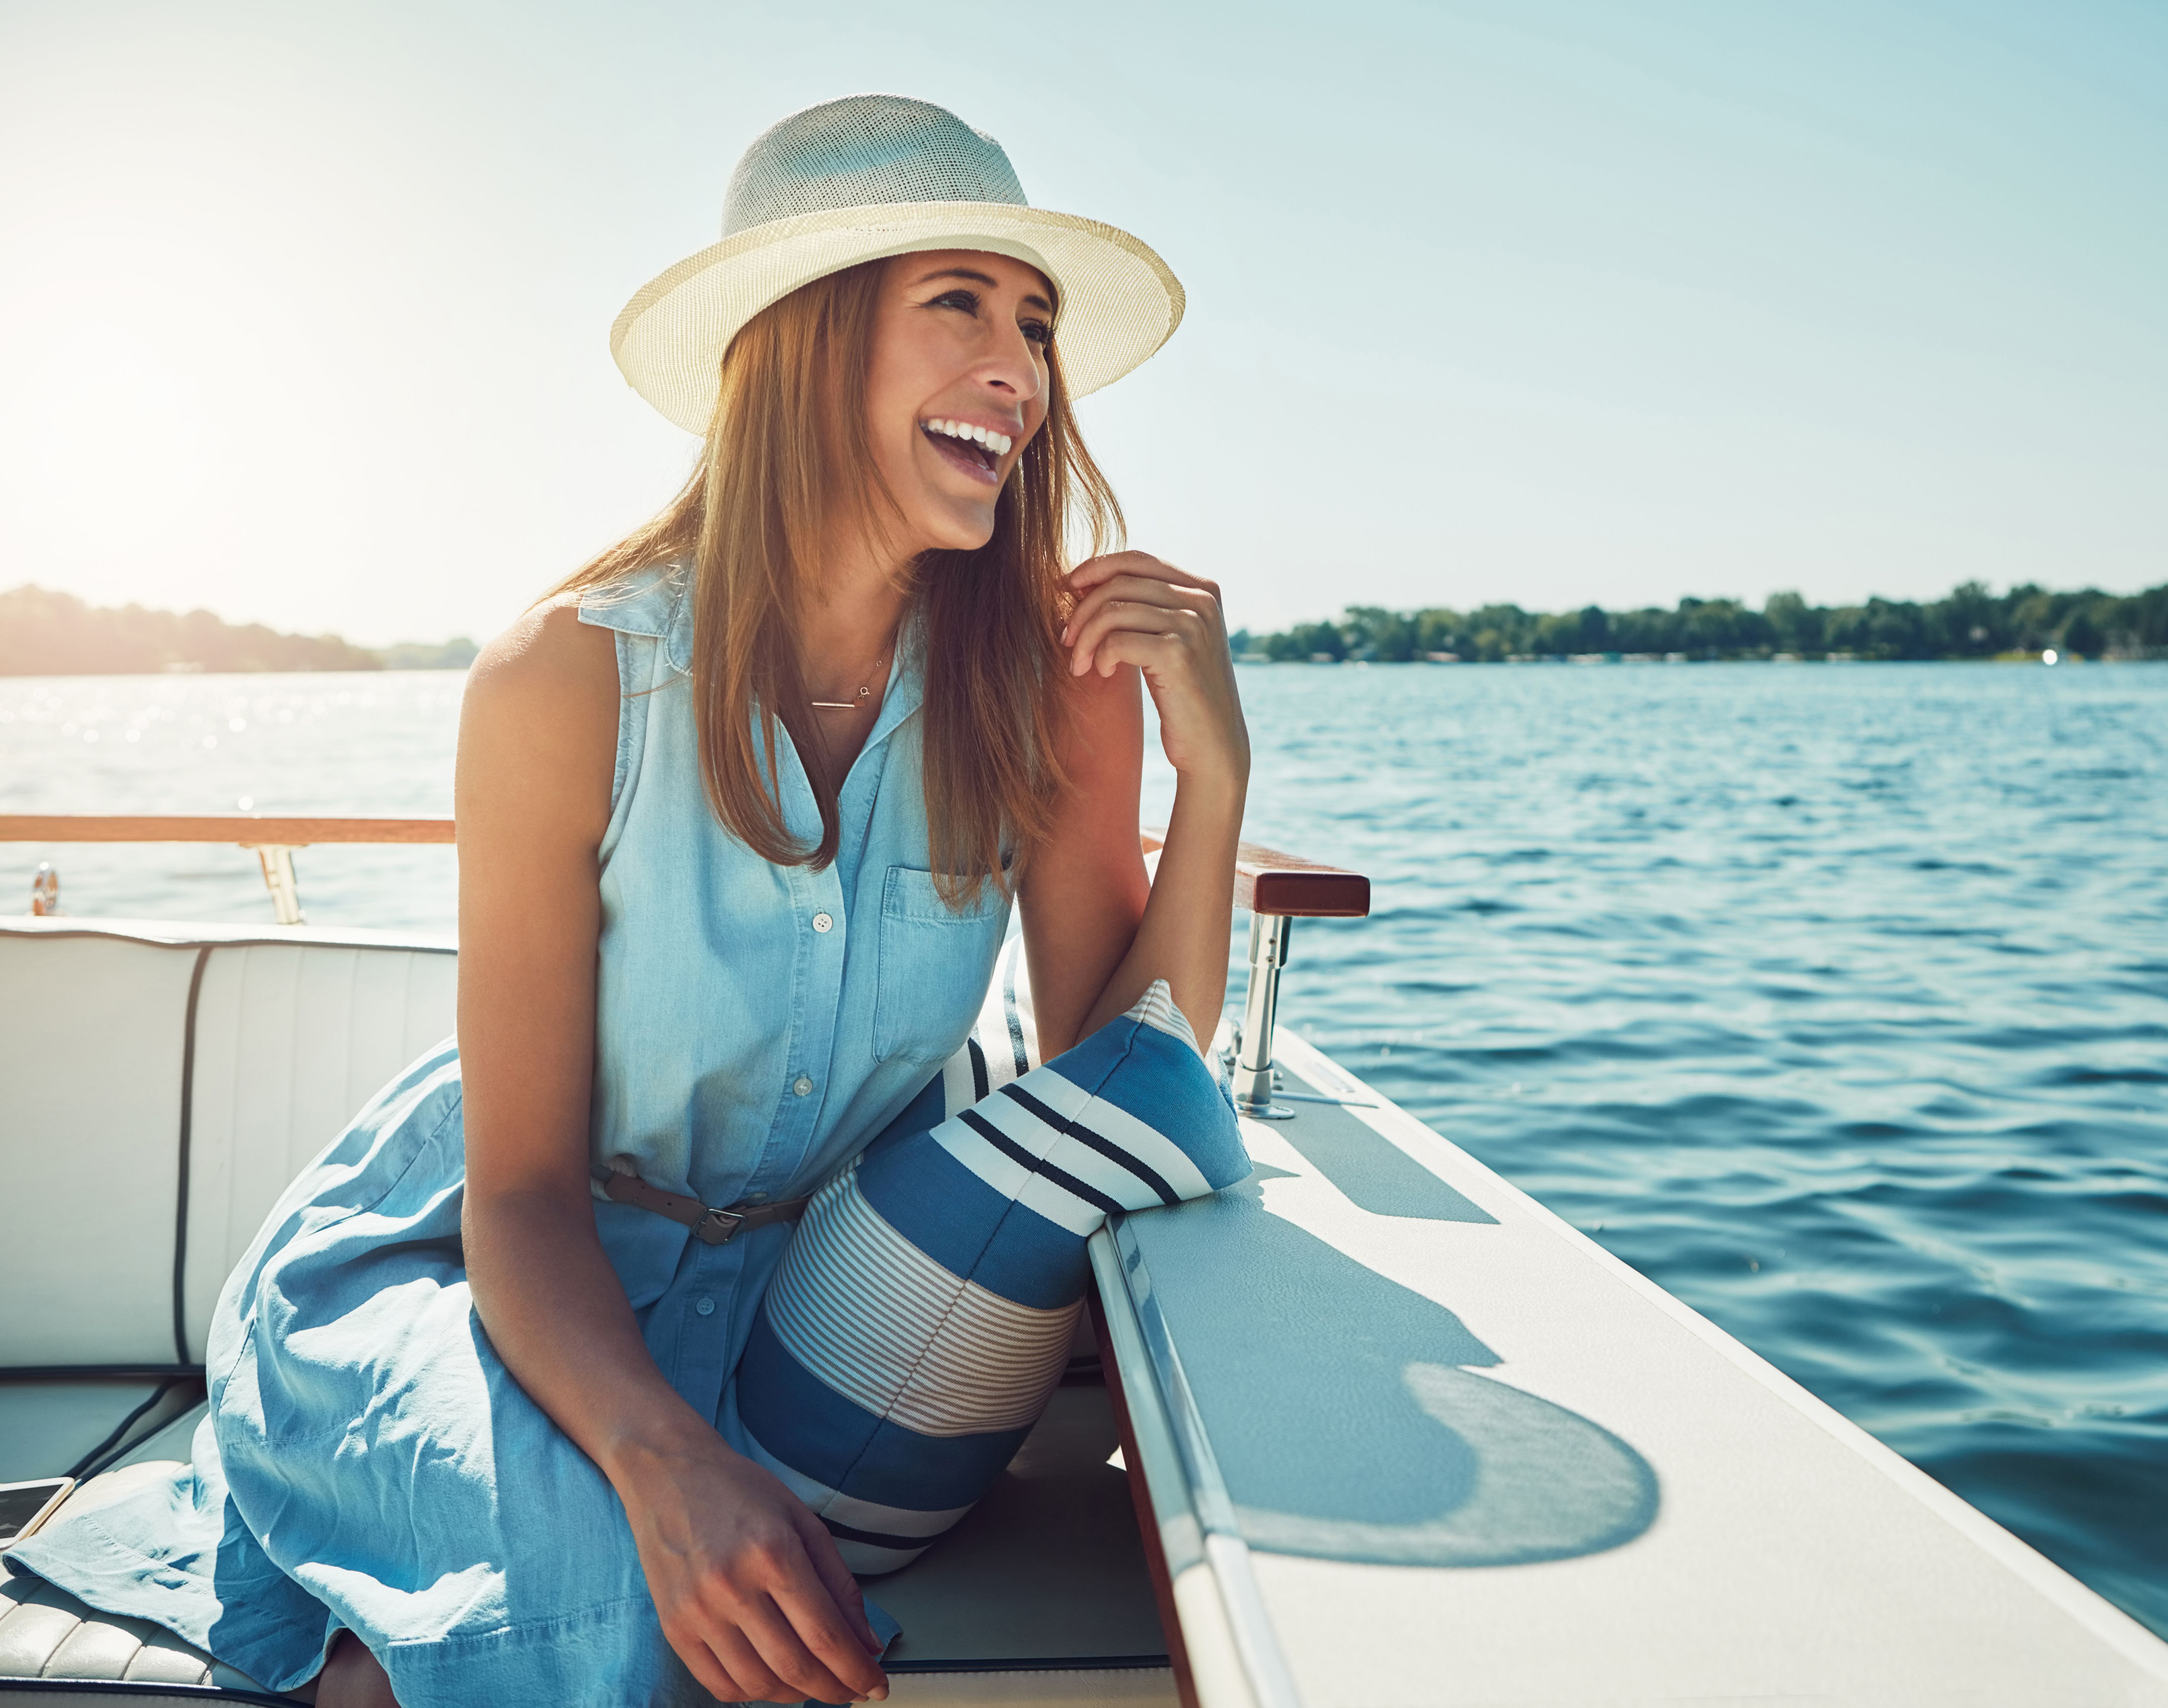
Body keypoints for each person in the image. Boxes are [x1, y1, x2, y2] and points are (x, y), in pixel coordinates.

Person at [4, 95, 1244, 1707]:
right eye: (960, 302)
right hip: (467, 1271)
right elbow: (514, 1194)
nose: (1021, 368)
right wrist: (666, 1465)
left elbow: (1119, 1073)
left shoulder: (1044, 689)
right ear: (798, 342)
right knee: (601, 1611)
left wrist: (1213, 782)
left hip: (795, 1314)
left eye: (1036, 322)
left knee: (633, 1623)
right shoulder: (567, 677)